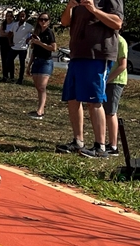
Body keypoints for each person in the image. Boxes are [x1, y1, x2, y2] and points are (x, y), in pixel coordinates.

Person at [56, 0, 123, 158]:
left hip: (97, 55)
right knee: (72, 98)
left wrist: (94, 10)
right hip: (77, 53)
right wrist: (69, 7)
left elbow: (117, 23)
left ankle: (100, 146)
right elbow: (65, 22)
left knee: (94, 100)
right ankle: (78, 141)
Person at [26, 12, 56, 119]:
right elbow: (34, 51)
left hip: (46, 62)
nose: (43, 21)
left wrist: (41, 43)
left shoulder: (49, 32)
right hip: (37, 61)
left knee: (42, 87)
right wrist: (29, 65)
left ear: (48, 21)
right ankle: (40, 109)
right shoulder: (37, 33)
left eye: (45, 20)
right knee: (38, 87)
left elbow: (53, 48)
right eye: (41, 19)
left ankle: (40, 111)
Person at [104, 33, 127, 156]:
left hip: (116, 81)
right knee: (106, 111)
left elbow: (122, 65)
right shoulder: (107, 39)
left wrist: (108, 79)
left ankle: (113, 146)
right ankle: (107, 143)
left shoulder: (121, 41)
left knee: (111, 112)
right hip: (106, 80)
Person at [6, 10, 32, 85]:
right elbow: (10, 34)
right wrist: (10, 42)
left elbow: (35, 33)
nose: (22, 17)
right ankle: (11, 76)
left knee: (22, 64)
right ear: (18, 16)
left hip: (23, 48)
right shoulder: (14, 25)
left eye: (23, 15)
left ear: (26, 17)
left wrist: (29, 39)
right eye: (21, 15)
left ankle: (20, 79)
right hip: (14, 47)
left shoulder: (28, 26)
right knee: (9, 61)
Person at [0, 11, 15, 82]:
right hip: (4, 43)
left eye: (10, 16)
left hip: (11, 43)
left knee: (10, 60)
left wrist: (7, 34)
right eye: (7, 16)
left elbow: (13, 34)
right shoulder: (3, 24)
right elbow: (1, 34)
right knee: (4, 59)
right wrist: (8, 34)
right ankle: (5, 76)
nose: (9, 17)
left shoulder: (14, 24)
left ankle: (11, 76)